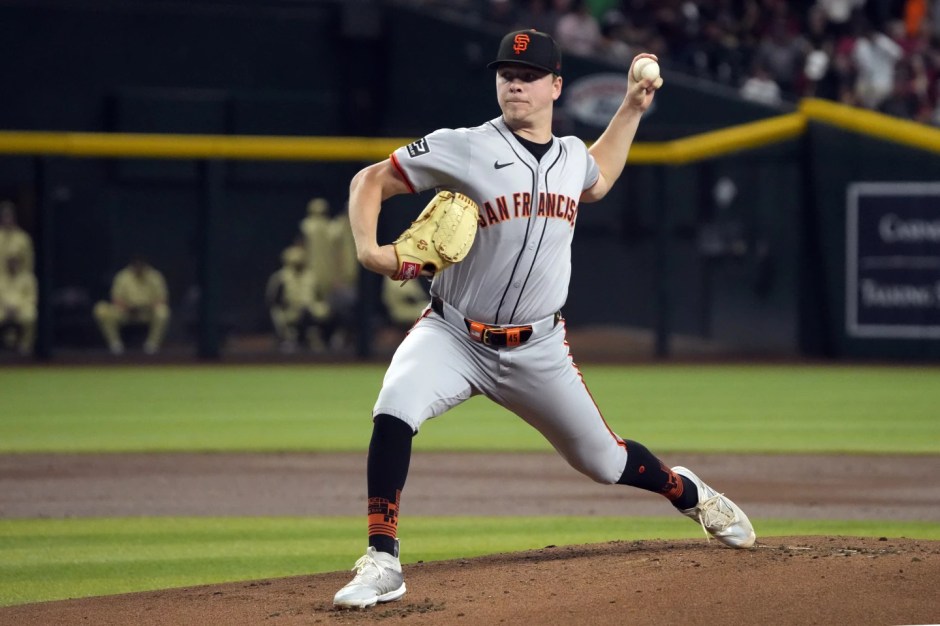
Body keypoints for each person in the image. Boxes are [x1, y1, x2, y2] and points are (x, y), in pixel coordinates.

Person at [332, 29, 755, 610]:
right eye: (507, 74)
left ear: (556, 86)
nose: (515, 84)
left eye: (529, 76)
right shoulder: (465, 146)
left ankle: (688, 492)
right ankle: (383, 560)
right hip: (453, 333)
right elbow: (369, 181)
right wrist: (370, 251)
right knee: (394, 406)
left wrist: (632, 107)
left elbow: (599, 176)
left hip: (538, 348)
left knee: (605, 461)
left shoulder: (571, 157)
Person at [93, 256, 170, 355]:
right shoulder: (122, 276)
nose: (138, 267)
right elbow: (116, 299)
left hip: (147, 313)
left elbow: (162, 299)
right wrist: (128, 308)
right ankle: (115, 345)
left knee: (163, 311)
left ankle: (152, 345)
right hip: (125, 312)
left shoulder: (155, 276)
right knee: (101, 309)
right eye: (136, 265)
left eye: (141, 265)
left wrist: (145, 307)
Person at [264, 244, 330, 353]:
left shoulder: (311, 277)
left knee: (323, 311)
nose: (297, 265)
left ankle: (318, 337)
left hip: (309, 310)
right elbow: (272, 300)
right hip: (289, 311)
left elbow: (320, 296)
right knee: (278, 315)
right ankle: (288, 339)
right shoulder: (280, 278)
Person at [0, 256, 37, 355]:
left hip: (22, 309)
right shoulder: (1, 278)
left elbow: (31, 297)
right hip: (3, 309)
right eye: (11, 262)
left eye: (15, 263)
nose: (13, 265)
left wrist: (18, 308)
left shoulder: (27, 278)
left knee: (30, 316)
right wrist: (6, 308)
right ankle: (6, 344)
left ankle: (25, 347)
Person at [0, 201, 34, 280]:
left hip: (19, 280)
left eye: (8, 216)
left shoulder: (23, 239)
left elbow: (29, 263)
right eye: (4, 216)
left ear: (14, 217)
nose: (7, 220)